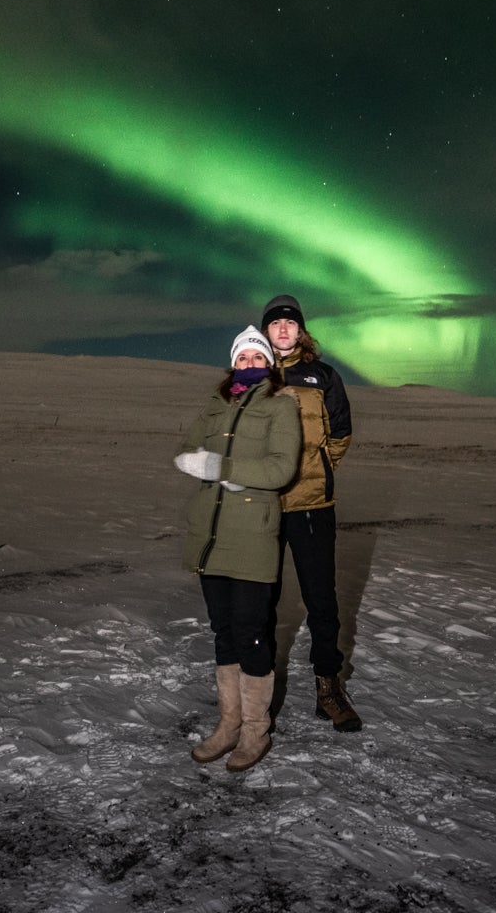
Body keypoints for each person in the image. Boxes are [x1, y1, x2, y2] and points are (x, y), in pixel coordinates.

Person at [174, 325, 301, 772]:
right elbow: (187, 448)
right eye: (242, 358)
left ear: (268, 364)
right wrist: (195, 461)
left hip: (251, 534)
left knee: (251, 631)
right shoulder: (216, 404)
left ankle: (254, 732)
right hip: (212, 532)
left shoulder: (280, 406)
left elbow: (282, 468)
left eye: (257, 357)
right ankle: (227, 726)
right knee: (223, 630)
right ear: (233, 363)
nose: (249, 364)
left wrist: (222, 466)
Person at [259, 294, 363, 732]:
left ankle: (328, 687)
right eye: (275, 323)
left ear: (301, 331)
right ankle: (257, 692)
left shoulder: (323, 377)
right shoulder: (253, 373)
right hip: (261, 508)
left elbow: (340, 433)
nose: (283, 329)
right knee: (260, 600)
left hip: (312, 507)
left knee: (321, 599)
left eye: (290, 323)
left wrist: (315, 470)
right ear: (265, 331)